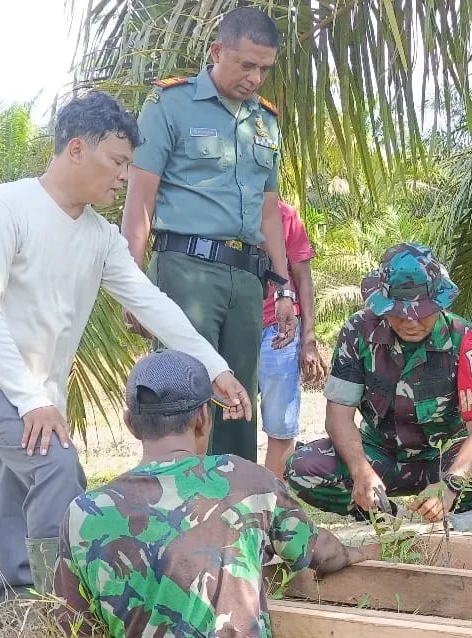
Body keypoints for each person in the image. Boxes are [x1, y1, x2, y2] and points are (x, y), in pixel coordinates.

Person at [0, 92, 250, 601]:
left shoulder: (100, 238)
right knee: (56, 466)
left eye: (129, 164)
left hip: (37, 395)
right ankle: (52, 604)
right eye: (117, 161)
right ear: (77, 149)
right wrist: (31, 399)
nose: (124, 175)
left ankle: (7, 608)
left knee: (20, 486)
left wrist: (213, 367)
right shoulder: (6, 208)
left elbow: (153, 304)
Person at [53, 349, 367, 638]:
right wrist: (357, 552)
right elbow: (320, 553)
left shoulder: (86, 515)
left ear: (130, 423)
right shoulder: (247, 483)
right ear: (204, 416)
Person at [122, 6, 296, 464]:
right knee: (183, 394)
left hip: (246, 279)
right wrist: (133, 288)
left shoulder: (267, 123)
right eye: (245, 64)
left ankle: (237, 510)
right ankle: (178, 507)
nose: (255, 77)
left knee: (241, 400)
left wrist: (283, 288)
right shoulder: (170, 104)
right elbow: (140, 199)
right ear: (216, 51)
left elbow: (269, 213)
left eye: (264, 68)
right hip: (186, 270)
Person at [286, 242, 472, 522]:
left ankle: (447, 514)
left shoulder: (468, 342)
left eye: (422, 311)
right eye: (399, 312)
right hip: (380, 457)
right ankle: (383, 516)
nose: (411, 322)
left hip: (446, 459)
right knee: (303, 467)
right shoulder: (357, 332)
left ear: (440, 302)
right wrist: (361, 471)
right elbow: (338, 418)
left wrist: (451, 486)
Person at [258, 199, 326, 478]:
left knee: (280, 424)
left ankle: (271, 502)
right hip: (230, 326)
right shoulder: (220, 208)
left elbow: (303, 277)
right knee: (228, 417)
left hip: (279, 329)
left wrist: (308, 340)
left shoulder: (285, 215)